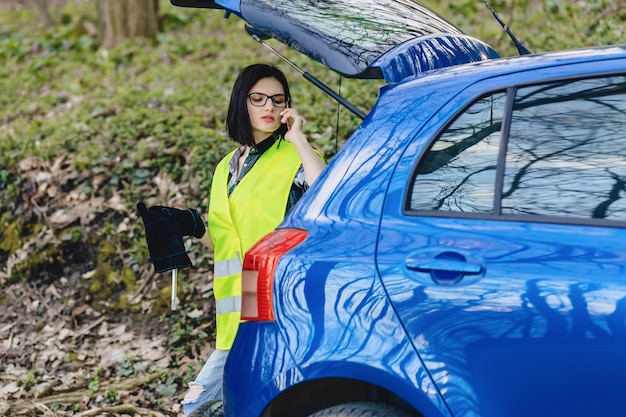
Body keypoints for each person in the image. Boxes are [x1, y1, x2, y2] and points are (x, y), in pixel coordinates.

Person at [181, 63, 327, 416]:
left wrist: (299, 139)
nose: (269, 109)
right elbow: (225, 241)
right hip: (234, 315)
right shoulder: (225, 167)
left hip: (279, 303)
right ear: (240, 103)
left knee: (199, 405)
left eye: (278, 100)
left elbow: (326, 195)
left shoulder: (295, 158)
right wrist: (190, 228)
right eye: (258, 99)